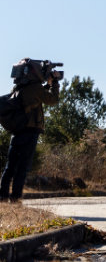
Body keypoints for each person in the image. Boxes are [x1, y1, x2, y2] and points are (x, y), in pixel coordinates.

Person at [1, 59, 60, 203]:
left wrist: (46, 85)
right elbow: (53, 100)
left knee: (10, 167)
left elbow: (34, 96)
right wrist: (55, 84)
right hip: (31, 131)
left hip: (17, 131)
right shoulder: (35, 89)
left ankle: (2, 197)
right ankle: (15, 198)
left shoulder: (18, 89)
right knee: (22, 167)